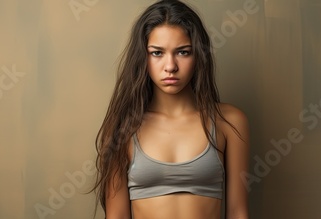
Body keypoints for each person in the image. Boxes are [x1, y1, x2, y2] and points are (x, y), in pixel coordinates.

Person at [91, 0, 249, 218]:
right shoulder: (122, 128)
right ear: (142, 57)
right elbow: (116, 216)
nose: (170, 66)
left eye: (183, 52)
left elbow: (237, 212)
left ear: (198, 56)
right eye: (157, 53)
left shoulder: (229, 122)